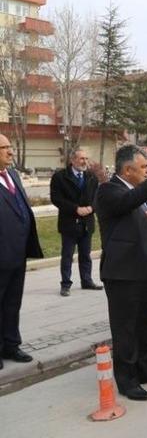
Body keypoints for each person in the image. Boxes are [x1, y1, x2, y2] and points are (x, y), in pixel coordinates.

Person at [94, 145, 147, 401]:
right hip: (124, 273)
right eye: (143, 168)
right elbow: (130, 201)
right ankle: (127, 380)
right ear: (127, 170)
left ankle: (146, 369)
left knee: (145, 324)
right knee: (125, 329)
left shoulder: (144, 192)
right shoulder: (109, 191)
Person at [0, 134, 43, 370]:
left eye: (10, 147)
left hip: (18, 253)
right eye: (4, 148)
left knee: (12, 303)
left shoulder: (13, 175)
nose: (10, 151)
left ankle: (11, 345)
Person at [50, 147, 101, 296]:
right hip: (69, 223)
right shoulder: (60, 177)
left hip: (87, 223)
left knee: (86, 255)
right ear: (72, 160)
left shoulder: (92, 177)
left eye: (86, 159)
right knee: (67, 255)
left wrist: (92, 208)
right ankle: (65, 284)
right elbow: (56, 198)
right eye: (81, 159)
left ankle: (87, 281)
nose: (84, 162)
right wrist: (75, 209)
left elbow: (98, 197)